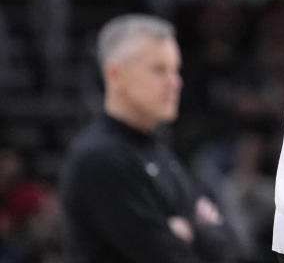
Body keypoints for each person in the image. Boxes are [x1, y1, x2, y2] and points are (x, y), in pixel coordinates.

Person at [59, 14, 236, 263]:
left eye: (176, 70)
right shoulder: (99, 158)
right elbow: (168, 256)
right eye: (159, 70)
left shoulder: (158, 148)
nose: (175, 82)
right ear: (114, 75)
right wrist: (197, 228)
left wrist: (189, 230)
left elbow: (229, 247)